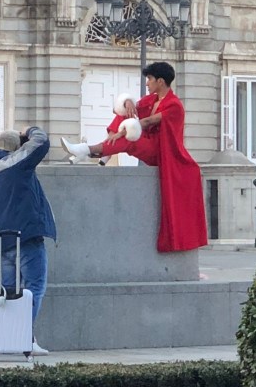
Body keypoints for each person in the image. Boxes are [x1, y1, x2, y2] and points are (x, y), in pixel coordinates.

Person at [61, 62, 207, 253]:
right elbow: (127, 111)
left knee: (129, 138)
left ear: (160, 81)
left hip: (162, 151)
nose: (147, 83)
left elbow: (147, 122)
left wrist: (121, 132)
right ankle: (97, 152)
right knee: (124, 115)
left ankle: (86, 150)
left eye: (150, 79)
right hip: (151, 144)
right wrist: (128, 103)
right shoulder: (152, 99)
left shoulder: (174, 105)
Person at [0, 126, 56, 355]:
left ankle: (6, 340)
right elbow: (41, 141)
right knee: (34, 288)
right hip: (26, 238)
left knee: (8, 294)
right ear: (17, 149)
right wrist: (29, 131)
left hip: (5, 243)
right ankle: (24, 338)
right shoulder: (16, 164)